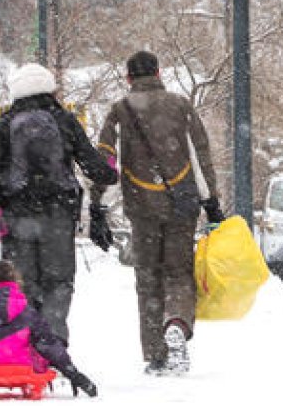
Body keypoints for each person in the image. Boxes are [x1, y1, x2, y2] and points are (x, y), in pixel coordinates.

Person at [89, 50, 224, 376]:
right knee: (179, 273)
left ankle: (155, 353)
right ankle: (176, 322)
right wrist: (211, 202)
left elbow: (107, 162)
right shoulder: (180, 106)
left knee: (147, 278)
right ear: (159, 72)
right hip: (181, 205)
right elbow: (198, 156)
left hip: (141, 207)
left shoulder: (120, 111)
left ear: (128, 78)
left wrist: (98, 206)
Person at [0, 63, 117, 343]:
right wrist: (110, 171)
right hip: (58, 215)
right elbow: (95, 168)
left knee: (20, 283)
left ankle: (23, 343)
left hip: (16, 216)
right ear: (49, 87)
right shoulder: (64, 120)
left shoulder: (5, 124)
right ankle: (52, 343)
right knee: (59, 282)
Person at [0, 260, 97, 398]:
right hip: (24, 369)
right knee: (39, 337)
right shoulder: (27, 312)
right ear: (14, 282)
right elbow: (49, 346)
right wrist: (72, 373)